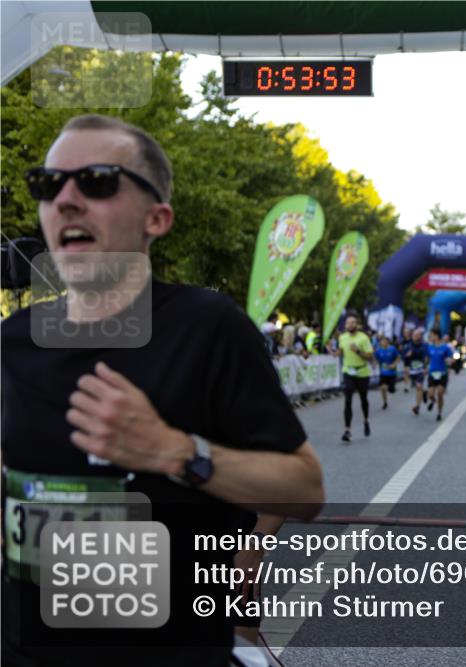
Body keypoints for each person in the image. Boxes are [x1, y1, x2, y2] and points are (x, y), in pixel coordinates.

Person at [1, 114, 324, 666]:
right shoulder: (13, 340)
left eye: (97, 181)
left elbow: (304, 490)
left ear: (158, 217)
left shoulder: (209, 328)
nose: (67, 200)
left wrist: (174, 451)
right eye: (48, 185)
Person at [337, 313, 374, 442]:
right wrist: (333, 351)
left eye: (353, 322)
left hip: (362, 372)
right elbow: (340, 352)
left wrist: (358, 351)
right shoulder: (342, 337)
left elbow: (370, 357)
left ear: (357, 325)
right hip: (348, 371)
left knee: (363, 399)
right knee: (348, 400)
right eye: (348, 322)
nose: (350, 324)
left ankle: (366, 420)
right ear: (345, 325)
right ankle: (347, 430)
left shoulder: (363, 338)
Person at [426, 329, 453, 422]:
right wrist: (425, 367)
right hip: (432, 373)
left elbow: (451, 358)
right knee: (430, 394)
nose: (430, 337)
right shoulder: (430, 347)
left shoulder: (445, 347)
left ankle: (439, 413)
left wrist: (450, 361)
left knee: (440, 393)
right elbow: (427, 359)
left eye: (432, 335)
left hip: (442, 373)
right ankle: (433, 400)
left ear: (437, 336)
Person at [405, 329, 430, 416]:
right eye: (414, 335)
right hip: (412, 370)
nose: (415, 336)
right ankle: (424, 392)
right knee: (417, 387)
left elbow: (428, 357)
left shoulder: (425, 346)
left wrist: (426, 367)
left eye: (417, 335)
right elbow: (404, 357)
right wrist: (406, 365)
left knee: (419, 386)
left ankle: (417, 407)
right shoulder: (409, 346)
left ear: (420, 336)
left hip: (421, 370)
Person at [374, 335, 401, 410]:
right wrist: (374, 363)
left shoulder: (392, 349)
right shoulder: (379, 350)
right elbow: (375, 358)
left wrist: (394, 364)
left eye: (385, 340)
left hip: (392, 373)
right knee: (383, 388)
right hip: (383, 373)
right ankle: (385, 402)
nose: (383, 342)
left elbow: (398, 358)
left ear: (388, 342)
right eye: (382, 341)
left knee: (391, 391)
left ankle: (391, 387)